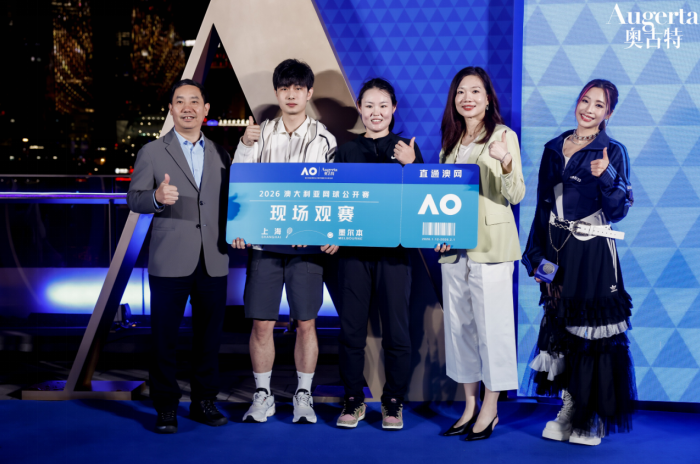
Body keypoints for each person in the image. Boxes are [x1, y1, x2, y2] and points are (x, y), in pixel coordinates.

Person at [522, 79, 636, 446]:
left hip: (594, 252)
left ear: (609, 113)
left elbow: (618, 211)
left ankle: (592, 417)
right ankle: (570, 408)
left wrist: (607, 176)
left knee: (592, 334)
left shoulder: (612, 151)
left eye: (599, 105)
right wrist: (535, 256)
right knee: (562, 329)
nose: (589, 109)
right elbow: (543, 205)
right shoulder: (554, 147)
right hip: (558, 249)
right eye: (585, 100)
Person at [231, 59, 338, 425]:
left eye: (298, 88)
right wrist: (240, 226)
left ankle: (303, 395)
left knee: (306, 322)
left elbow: (333, 192)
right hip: (264, 245)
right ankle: (262, 395)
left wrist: (331, 233)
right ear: (276, 93)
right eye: (284, 88)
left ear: (309, 93)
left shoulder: (325, 139)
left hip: (307, 247)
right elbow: (241, 182)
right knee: (262, 323)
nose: (291, 95)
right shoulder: (258, 134)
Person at [127, 79, 231, 434]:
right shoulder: (152, 151)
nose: (188, 108)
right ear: (171, 109)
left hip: (213, 257)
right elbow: (134, 198)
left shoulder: (221, 153)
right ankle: (166, 407)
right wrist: (156, 198)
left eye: (195, 101)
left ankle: (204, 402)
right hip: (170, 258)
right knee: (164, 339)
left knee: (209, 339)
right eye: (180, 101)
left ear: (206, 110)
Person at [435, 66, 525, 441]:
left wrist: (505, 161)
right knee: (459, 329)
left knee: (493, 329)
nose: (467, 98)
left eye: (475, 91)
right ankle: (469, 405)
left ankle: (491, 407)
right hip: (454, 250)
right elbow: (442, 200)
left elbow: (516, 194)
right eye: (461, 92)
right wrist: (438, 232)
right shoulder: (450, 144)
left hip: (491, 247)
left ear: (488, 99)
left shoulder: (503, 136)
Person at [333, 78, 423, 431]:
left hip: (395, 254)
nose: (376, 112)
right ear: (359, 108)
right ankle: (353, 399)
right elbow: (334, 199)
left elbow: (422, 203)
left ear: (393, 108)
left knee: (397, 332)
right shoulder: (345, 151)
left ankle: (393, 401)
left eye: (383, 105)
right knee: (351, 331)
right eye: (369, 105)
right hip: (353, 254)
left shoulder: (406, 148)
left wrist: (411, 165)